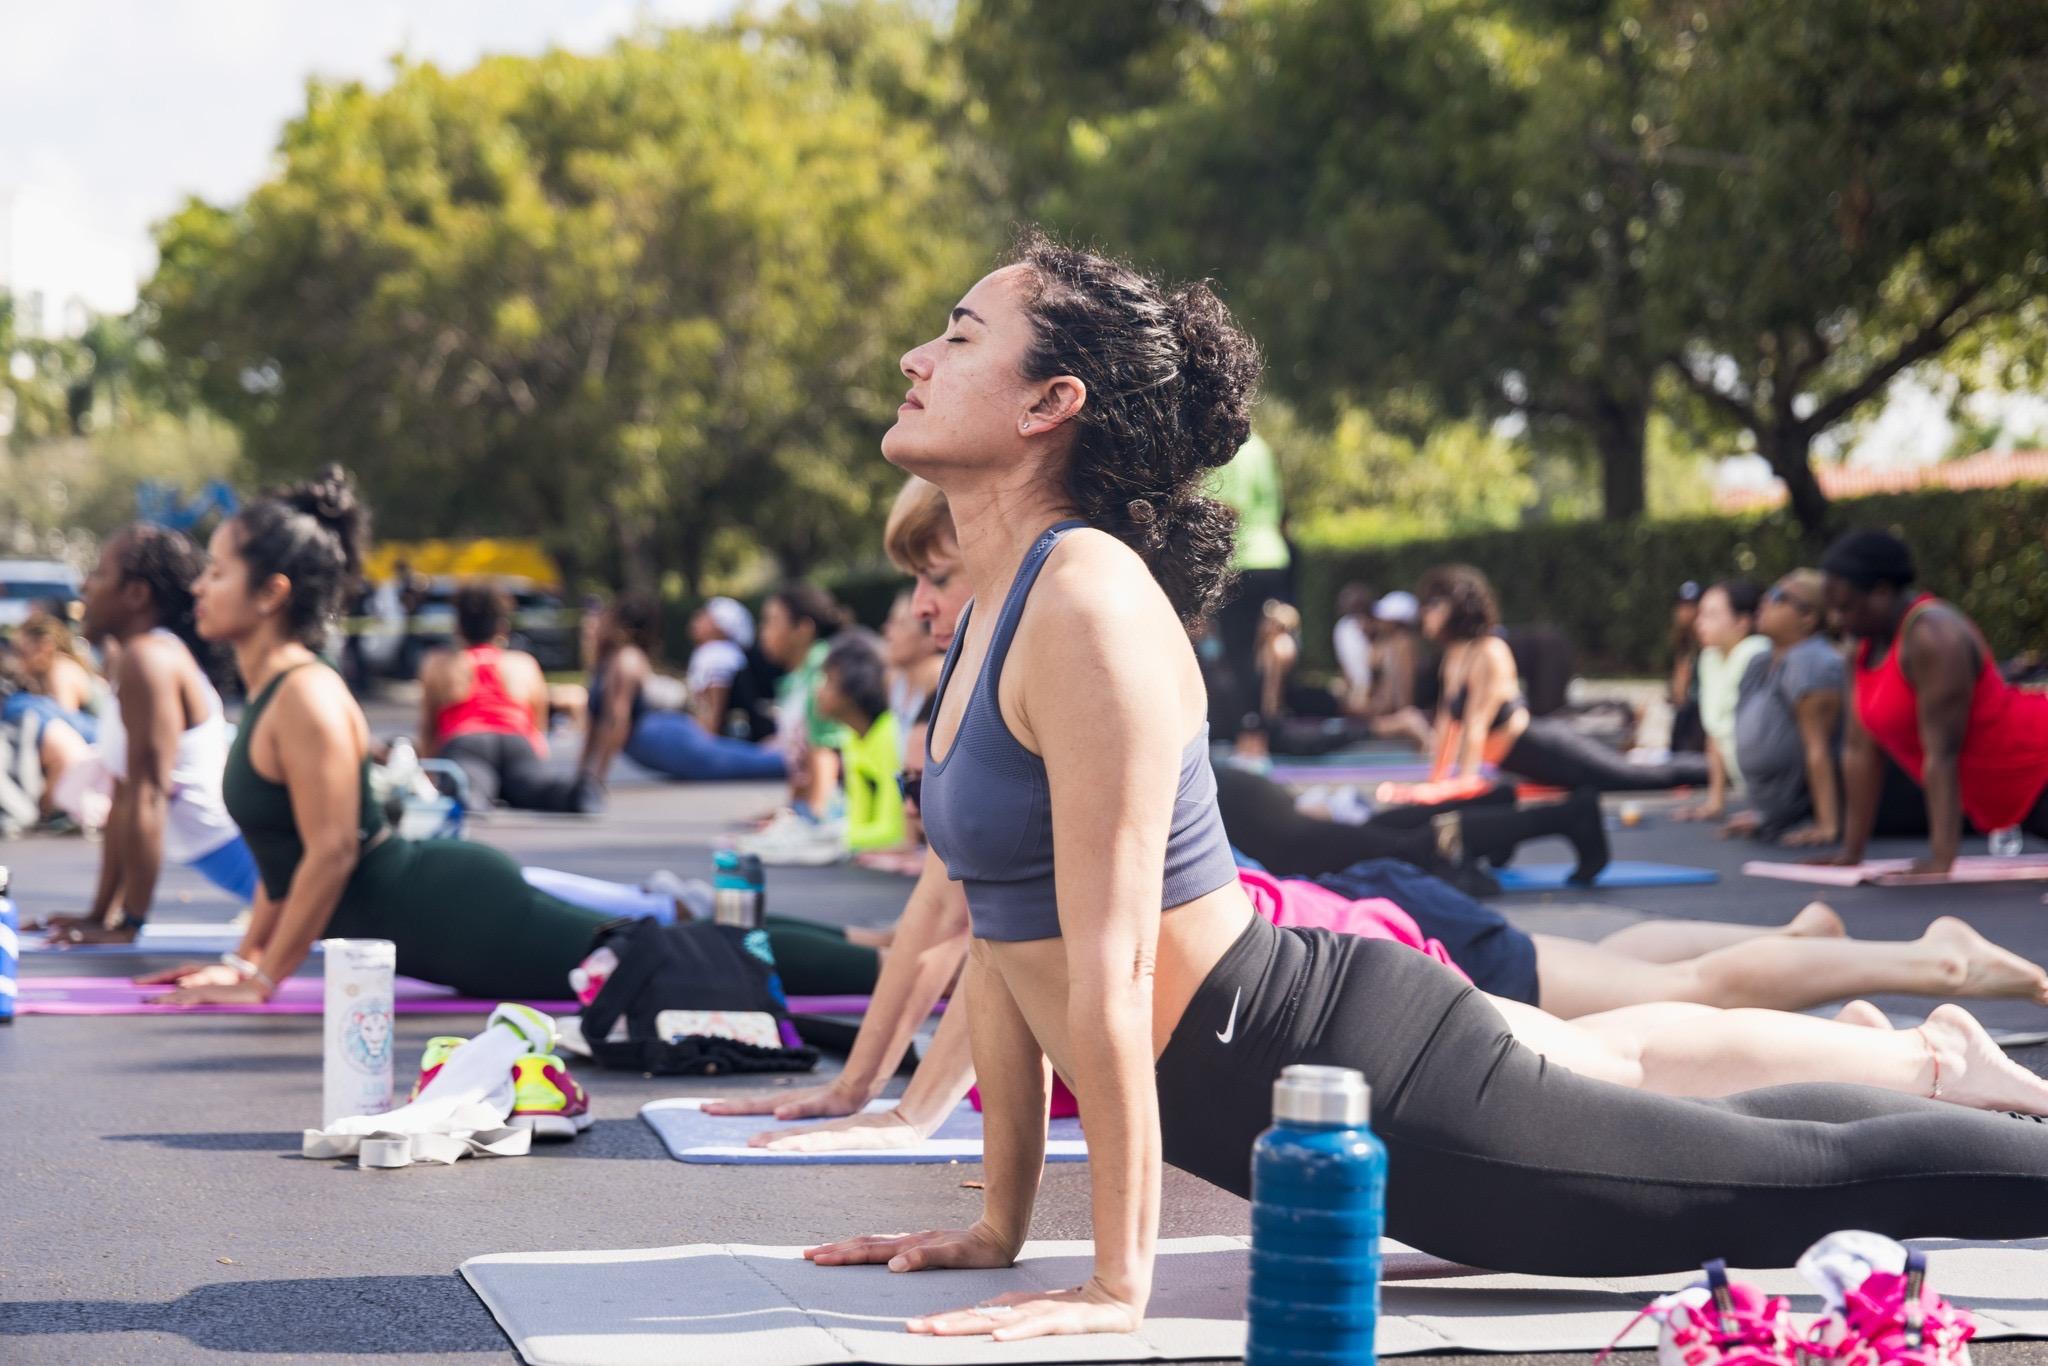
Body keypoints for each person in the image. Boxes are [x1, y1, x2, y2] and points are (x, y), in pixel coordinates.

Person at [801, 235, 2048, 1342]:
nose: (917, 355)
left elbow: (1114, 968)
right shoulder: (995, 610)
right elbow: (1008, 948)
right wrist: (1001, 1225)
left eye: (959, 335)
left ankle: (1955, 1093)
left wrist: (1114, 1285)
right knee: (1746, 1135)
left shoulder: (1085, 597)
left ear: (1050, 402)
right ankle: (1932, 1064)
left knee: (1803, 1180)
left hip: (1361, 1076)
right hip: (1297, 1056)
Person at [135, 467, 618, 1006]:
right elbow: (283, 861)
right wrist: (243, 963)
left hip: (453, 911)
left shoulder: (304, 694)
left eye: (218, 572)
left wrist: (263, 983)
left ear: (271, 592)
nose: (199, 586)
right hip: (435, 920)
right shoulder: (275, 690)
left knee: (647, 968)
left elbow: (333, 850)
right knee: (647, 965)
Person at [29, 526, 261, 944]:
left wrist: (130, 925)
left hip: (262, 871)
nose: (85, 586)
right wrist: (100, 915)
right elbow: (123, 798)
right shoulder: (135, 658)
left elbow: (149, 795)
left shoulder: (150, 659)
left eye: (100, 574)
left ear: (136, 594)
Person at [1821, 527, 2048, 874]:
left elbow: (1943, 754)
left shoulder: (1934, 637)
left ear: (1881, 592)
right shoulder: (1862, 647)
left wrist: (1941, 861)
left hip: (2038, 766)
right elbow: (1859, 750)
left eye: (1846, 608)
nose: (1837, 620)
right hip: (2018, 797)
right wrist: (1851, 852)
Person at [1422, 563, 1710, 792]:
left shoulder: (1489, 651)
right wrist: (1436, 781)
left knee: (1634, 776)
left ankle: (1714, 769)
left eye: (1434, 604)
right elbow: (1449, 722)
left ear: (1457, 606)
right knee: (1627, 773)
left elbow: (1476, 724)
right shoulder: (1454, 657)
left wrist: (1463, 784)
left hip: (1544, 748)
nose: (1426, 613)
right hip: (1522, 762)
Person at [419, 583, 599, 813]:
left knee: (469, 785)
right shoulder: (524, 664)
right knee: (536, 788)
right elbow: (538, 726)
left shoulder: (438, 664)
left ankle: (471, 795)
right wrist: (535, 761)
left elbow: (429, 729)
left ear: (458, 626)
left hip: (466, 742)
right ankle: (572, 794)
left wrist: (429, 777)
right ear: (502, 627)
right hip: (517, 744)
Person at [578, 594, 786, 787]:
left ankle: (797, 756)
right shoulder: (610, 664)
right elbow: (598, 723)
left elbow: (617, 720)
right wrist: (583, 775)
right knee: (748, 760)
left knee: (761, 764)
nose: (592, 627)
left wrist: (596, 778)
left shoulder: (627, 659)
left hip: (669, 738)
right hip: (665, 738)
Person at [1727, 570, 1845, 846]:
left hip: (1805, 818)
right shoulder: (1759, 663)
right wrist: (1765, 814)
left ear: (1808, 617)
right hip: (1777, 821)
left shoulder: (1811, 660)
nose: (1765, 600)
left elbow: (1818, 748)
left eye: (1779, 596)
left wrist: (1827, 826)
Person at [1205, 430, 1287, 739]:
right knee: (1268, 646)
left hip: (1243, 560)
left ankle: (1250, 733)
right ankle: (1267, 719)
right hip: (1272, 556)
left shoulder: (1231, 448)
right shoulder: (1261, 447)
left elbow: (1229, 508)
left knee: (1237, 652)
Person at [1676, 579, 1770, 821]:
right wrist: (1715, 802)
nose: (1699, 622)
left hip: (1774, 792)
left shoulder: (1758, 655)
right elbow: (1715, 733)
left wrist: (1768, 812)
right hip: (1752, 792)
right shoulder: (1709, 658)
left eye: (1712, 615)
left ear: (1742, 622)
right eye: (1701, 614)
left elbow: (1768, 739)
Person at [818, 633, 906, 857]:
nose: (818, 691)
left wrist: (835, 839)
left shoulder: (890, 733)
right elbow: (858, 817)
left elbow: (893, 830)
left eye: (828, 681)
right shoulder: (851, 735)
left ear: (853, 689)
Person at [684, 596, 757, 737]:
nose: (697, 618)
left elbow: (713, 716)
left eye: (706, 615)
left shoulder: (717, 655)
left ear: (722, 627)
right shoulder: (725, 653)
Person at [1668, 580, 1706, 752]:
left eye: (1691, 606)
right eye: (1682, 605)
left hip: (1699, 717)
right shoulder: (1684, 643)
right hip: (1686, 714)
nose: (1686, 612)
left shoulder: (1707, 644)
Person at [1331, 582, 1374, 714]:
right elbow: (1345, 664)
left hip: (1373, 687)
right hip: (1356, 687)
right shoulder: (1343, 628)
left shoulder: (1375, 625)